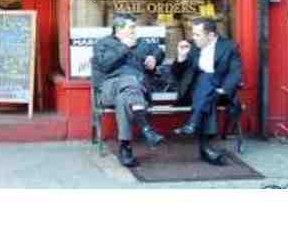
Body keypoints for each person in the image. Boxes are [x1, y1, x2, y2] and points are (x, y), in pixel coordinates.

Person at [92, 13, 165, 167]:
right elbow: (104, 65)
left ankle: (126, 146)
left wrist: (154, 58)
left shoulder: (141, 43)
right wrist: (124, 47)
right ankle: (145, 127)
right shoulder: (104, 44)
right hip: (110, 87)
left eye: (134, 27)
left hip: (134, 90)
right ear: (119, 29)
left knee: (124, 98)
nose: (134, 30)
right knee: (130, 80)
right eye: (131, 27)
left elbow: (159, 51)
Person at [172, 16, 242, 166]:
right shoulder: (192, 47)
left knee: (208, 86)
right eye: (193, 33)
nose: (193, 37)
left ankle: (193, 124)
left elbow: (235, 73)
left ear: (210, 35)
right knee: (206, 82)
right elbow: (177, 75)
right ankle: (204, 145)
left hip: (221, 93)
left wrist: (224, 89)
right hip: (196, 93)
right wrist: (181, 57)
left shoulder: (229, 46)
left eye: (197, 34)